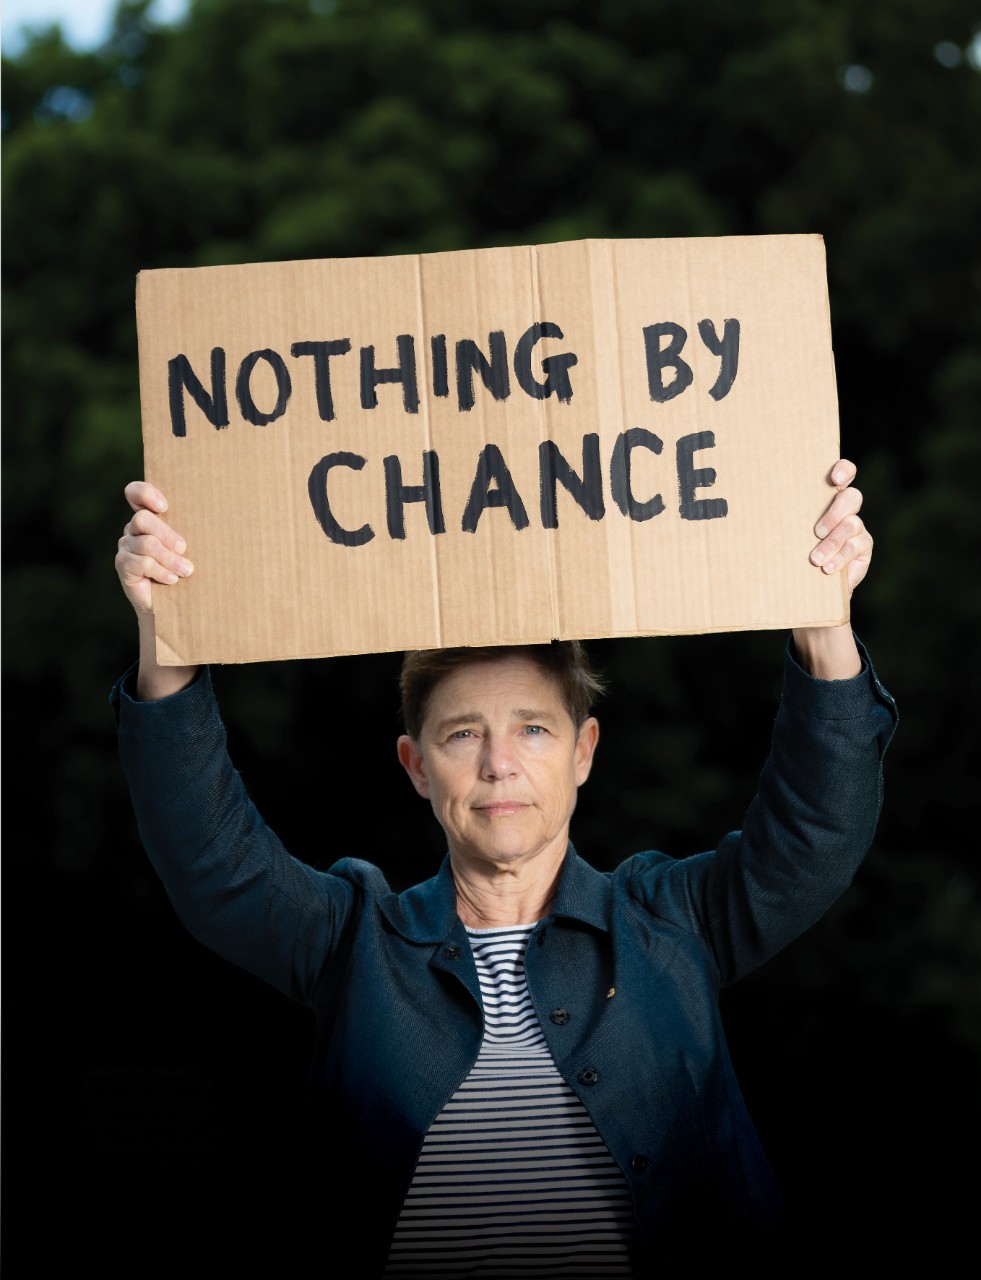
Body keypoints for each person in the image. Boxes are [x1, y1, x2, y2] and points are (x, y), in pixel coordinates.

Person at [111, 458, 896, 1275]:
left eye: (533, 729)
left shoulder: (675, 922)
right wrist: (169, 631)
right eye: (461, 735)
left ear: (583, 751)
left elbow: (816, 832)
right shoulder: (353, 941)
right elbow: (211, 860)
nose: (498, 764)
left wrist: (823, 618)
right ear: (416, 766)